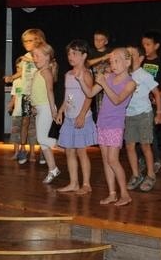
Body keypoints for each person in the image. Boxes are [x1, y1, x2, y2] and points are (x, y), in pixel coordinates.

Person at [77, 48, 136, 206]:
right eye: (111, 61)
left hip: (115, 125)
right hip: (102, 123)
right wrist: (81, 80)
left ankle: (125, 194)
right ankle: (112, 194)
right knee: (106, 160)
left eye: (117, 61)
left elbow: (117, 100)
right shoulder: (109, 77)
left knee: (113, 160)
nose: (113, 64)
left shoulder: (130, 83)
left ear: (127, 62)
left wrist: (104, 83)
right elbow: (90, 93)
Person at [54, 40, 97, 194]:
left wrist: (82, 115)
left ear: (84, 56)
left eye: (74, 53)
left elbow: (89, 97)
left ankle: (86, 184)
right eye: (69, 54)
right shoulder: (68, 75)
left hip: (81, 117)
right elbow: (69, 97)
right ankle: (74, 183)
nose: (70, 56)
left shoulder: (86, 74)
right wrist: (61, 110)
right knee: (69, 151)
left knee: (81, 151)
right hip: (69, 118)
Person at [4, 28, 46, 165]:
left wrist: (31, 59)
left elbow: (46, 67)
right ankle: (23, 149)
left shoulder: (43, 54)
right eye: (24, 41)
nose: (26, 43)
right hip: (26, 95)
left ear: (38, 40)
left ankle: (43, 150)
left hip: (39, 95)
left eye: (29, 40)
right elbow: (21, 72)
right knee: (25, 122)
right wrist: (12, 77)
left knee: (40, 124)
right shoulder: (25, 57)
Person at [124, 46, 161, 193]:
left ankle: (151, 175)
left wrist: (159, 113)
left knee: (145, 145)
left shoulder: (144, 75)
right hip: (129, 115)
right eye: (126, 54)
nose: (128, 57)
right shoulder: (124, 75)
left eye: (131, 55)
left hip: (144, 114)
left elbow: (156, 94)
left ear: (140, 58)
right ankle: (136, 175)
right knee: (130, 146)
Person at [141, 30, 161, 174]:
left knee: (150, 131)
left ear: (156, 46)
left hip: (153, 104)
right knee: (139, 131)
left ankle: (155, 160)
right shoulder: (141, 61)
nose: (145, 47)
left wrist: (159, 95)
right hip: (140, 103)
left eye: (148, 44)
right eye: (143, 44)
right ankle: (142, 159)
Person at [31, 42, 61, 184]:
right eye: (34, 55)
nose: (35, 58)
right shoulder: (39, 72)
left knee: (42, 139)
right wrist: (34, 106)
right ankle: (53, 169)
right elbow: (38, 91)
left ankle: (66, 147)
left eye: (38, 55)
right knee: (43, 143)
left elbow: (50, 91)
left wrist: (53, 110)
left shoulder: (46, 72)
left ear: (47, 57)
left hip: (46, 108)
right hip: (40, 108)